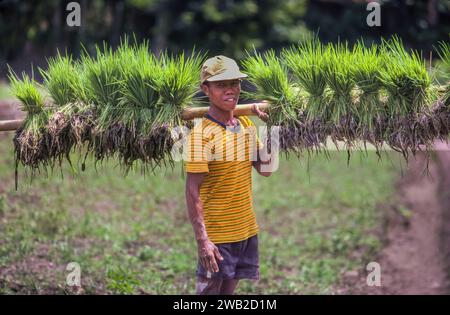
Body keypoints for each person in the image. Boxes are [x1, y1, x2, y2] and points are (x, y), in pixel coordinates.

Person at [184, 55, 273, 295]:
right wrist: (203, 240)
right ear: (206, 89)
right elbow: (192, 191)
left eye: (234, 83)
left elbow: (266, 169)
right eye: (221, 84)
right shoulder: (201, 136)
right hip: (217, 236)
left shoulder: (245, 124)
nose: (231, 90)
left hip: (245, 230)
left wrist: (274, 128)